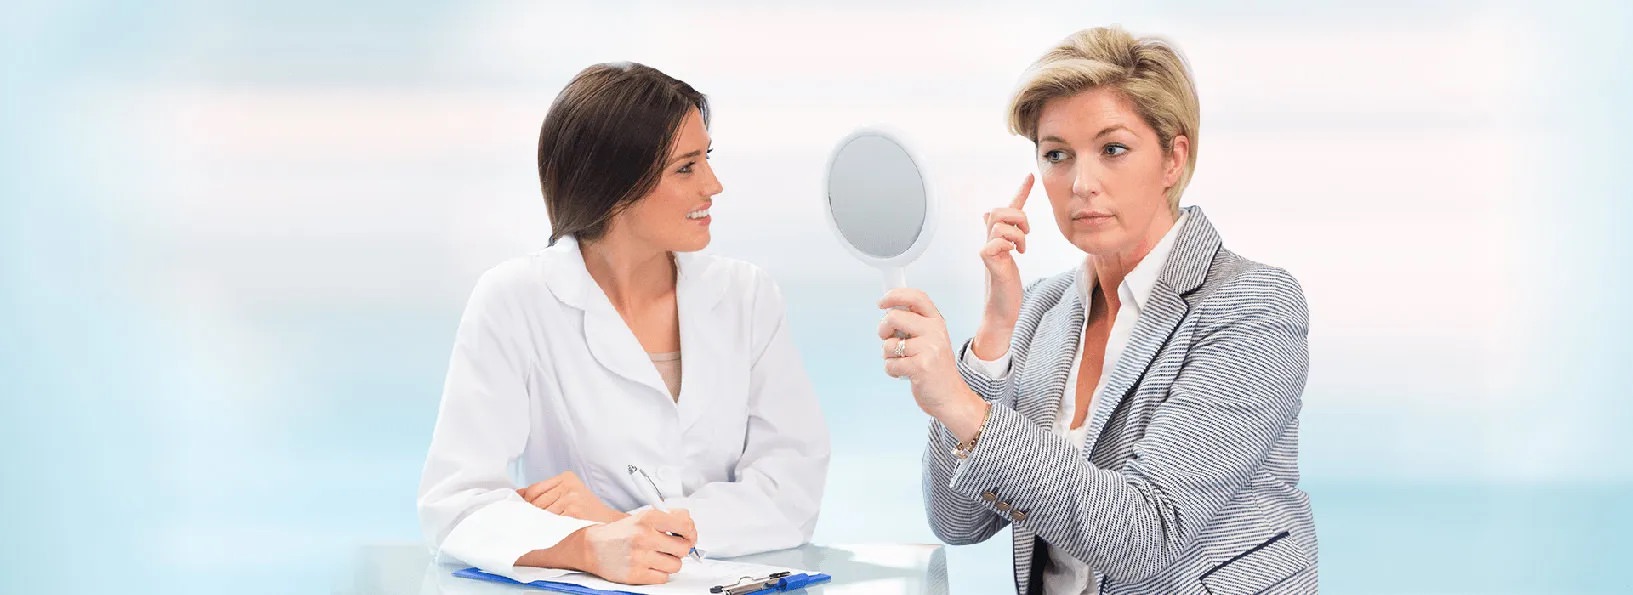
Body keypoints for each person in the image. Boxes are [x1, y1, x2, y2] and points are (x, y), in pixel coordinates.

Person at [878, 27, 1318, 594]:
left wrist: (965, 407)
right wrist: (992, 342)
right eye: (1057, 155)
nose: (1081, 183)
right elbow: (958, 522)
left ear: (1172, 159)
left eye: (1112, 149)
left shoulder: (1253, 304)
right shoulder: (1039, 309)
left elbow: (1147, 534)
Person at [417, 62, 830, 585]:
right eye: (686, 168)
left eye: (708, 159)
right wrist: (586, 547)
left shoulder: (747, 297)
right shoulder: (515, 300)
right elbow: (456, 504)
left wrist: (623, 529)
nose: (714, 185)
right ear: (615, 186)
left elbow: (791, 487)